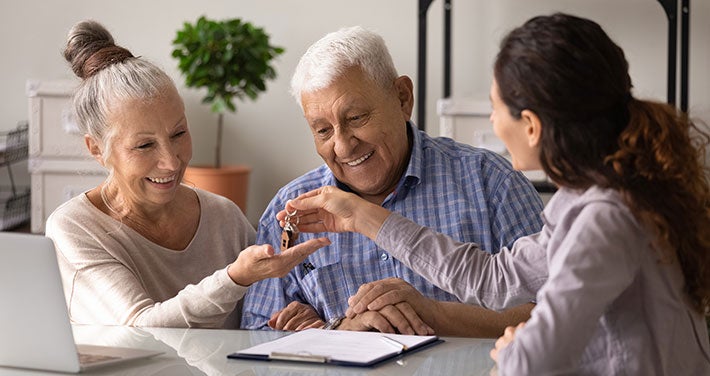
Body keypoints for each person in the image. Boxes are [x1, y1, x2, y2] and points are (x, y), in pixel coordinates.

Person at [278, 13, 710, 375]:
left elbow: (539, 355)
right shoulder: (583, 202)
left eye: (493, 106)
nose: (490, 119)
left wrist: (512, 349)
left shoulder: (604, 217)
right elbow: (492, 278)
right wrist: (360, 216)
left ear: (531, 125)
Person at [240, 26, 545, 337]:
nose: (343, 146)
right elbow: (253, 340)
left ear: (403, 98)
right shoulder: (289, 211)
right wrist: (337, 331)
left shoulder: (491, 183)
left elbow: (558, 319)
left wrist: (435, 314)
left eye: (356, 118)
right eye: (323, 131)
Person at [45, 20, 329, 329]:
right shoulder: (74, 228)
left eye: (179, 133)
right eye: (144, 145)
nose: (170, 161)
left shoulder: (224, 219)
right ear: (97, 149)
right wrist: (235, 277)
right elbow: (141, 330)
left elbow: (264, 316)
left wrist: (299, 315)